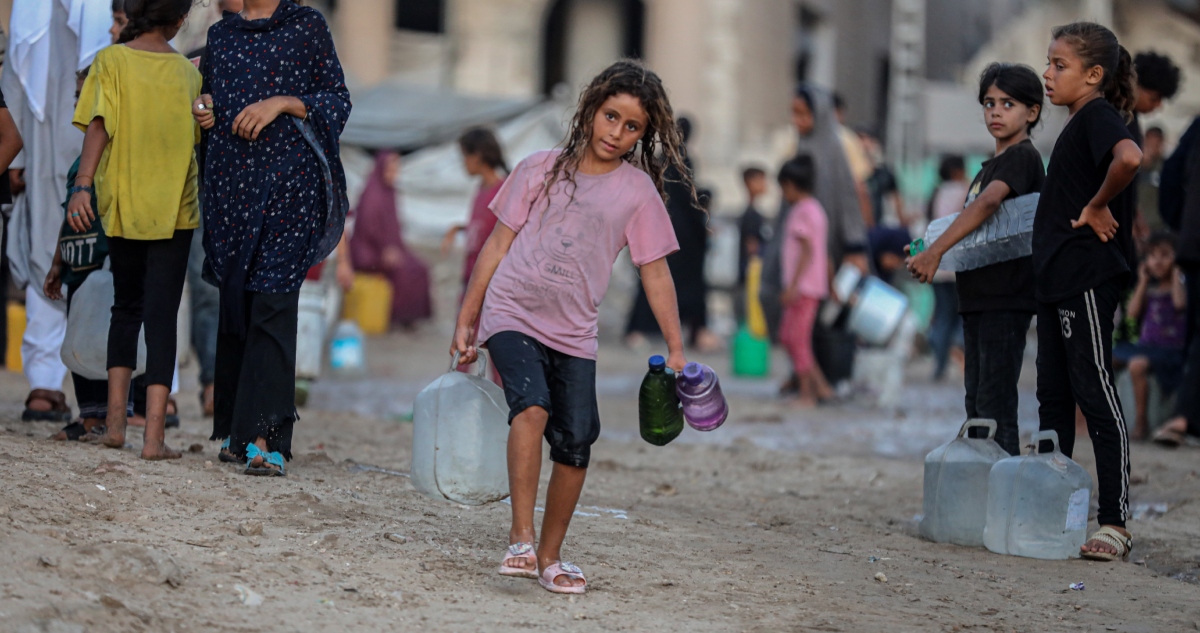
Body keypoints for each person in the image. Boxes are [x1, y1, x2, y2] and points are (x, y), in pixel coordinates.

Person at [451, 60, 689, 594]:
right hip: (511, 311)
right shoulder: (539, 168)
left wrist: (676, 347)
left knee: (577, 442)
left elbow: (655, 274)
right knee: (531, 407)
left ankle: (551, 557)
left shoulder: (638, 194)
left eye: (632, 127)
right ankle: (520, 538)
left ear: (643, 136)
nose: (616, 133)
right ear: (590, 109)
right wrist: (468, 319)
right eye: (610, 116)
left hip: (575, 332)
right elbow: (496, 247)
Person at [194, 0, 351, 476]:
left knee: (274, 305)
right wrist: (204, 111)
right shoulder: (222, 37)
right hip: (232, 188)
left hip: (291, 188)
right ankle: (241, 436)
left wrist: (280, 102)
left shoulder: (307, 27)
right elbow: (210, 106)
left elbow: (336, 100)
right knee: (238, 302)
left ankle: (270, 440)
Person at [69, 0, 201, 460]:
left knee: (125, 309)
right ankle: (154, 439)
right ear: (180, 19)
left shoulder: (111, 61)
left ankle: (115, 427)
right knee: (161, 317)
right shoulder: (187, 74)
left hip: (123, 205)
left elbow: (98, 127)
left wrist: (82, 186)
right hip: (175, 212)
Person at [1036, 22, 1143, 560]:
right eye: (1049, 63)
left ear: (1094, 75)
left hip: (1085, 278)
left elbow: (1129, 159)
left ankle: (1115, 522)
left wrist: (1098, 204)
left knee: (1095, 390)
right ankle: (1056, 511)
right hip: (1057, 281)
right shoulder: (1077, 125)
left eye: (1059, 65)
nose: (1048, 74)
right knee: (1053, 398)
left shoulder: (1099, 116)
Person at [907, 63, 1046, 456]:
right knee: (977, 406)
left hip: (1006, 298)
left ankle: (1003, 501)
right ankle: (981, 494)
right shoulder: (987, 168)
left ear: (1032, 112)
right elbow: (980, 232)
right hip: (978, 299)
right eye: (989, 103)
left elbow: (987, 205)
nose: (996, 112)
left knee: (995, 405)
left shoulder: (1021, 158)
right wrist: (925, 246)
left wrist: (936, 252)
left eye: (1008, 103)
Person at [623, 117, 717, 352]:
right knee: (678, 282)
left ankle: (641, 329)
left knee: (653, 277)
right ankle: (693, 330)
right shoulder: (681, 161)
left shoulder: (661, 160)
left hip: (662, 229)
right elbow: (688, 198)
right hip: (682, 236)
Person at [1113, 233, 1187, 440]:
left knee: (1137, 365)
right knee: (1104, 358)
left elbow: (1180, 304)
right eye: (1152, 256)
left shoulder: (1180, 286)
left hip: (1169, 350)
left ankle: (1141, 422)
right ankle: (1101, 419)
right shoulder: (1149, 288)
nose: (1157, 261)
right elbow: (1132, 314)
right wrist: (1143, 281)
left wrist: (1176, 274)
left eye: (1165, 255)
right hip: (1145, 346)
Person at [1155, 114, 1200, 447]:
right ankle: (1185, 418)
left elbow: (1170, 173)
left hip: (1192, 244)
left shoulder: (1197, 126)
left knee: (1194, 330)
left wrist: (1183, 223)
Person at [349, 151, 432, 329]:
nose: (394, 172)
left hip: (389, 248)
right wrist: (385, 249)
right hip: (369, 252)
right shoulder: (373, 194)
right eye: (390, 168)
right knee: (407, 271)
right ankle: (397, 318)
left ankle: (409, 318)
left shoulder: (389, 191)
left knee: (419, 267)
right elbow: (368, 228)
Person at [777, 156, 832, 406]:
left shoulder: (801, 212)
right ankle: (820, 387)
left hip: (803, 288)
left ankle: (807, 394)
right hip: (812, 285)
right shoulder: (816, 209)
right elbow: (823, 252)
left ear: (789, 185)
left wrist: (792, 286)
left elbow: (808, 250)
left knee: (797, 340)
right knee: (789, 336)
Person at [442, 127, 508, 298]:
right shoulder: (481, 189)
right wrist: (458, 228)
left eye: (464, 156)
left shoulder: (504, 191)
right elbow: (484, 227)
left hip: (491, 283)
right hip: (472, 276)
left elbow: (506, 234)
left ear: (477, 156)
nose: (463, 163)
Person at [926, 155, 968, 381]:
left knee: (941, 314)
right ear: (957, 171)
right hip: (959, 265)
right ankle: (958, 345)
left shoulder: (936, 193)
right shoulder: (964, 190)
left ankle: (939, 365)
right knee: (961, 313)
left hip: (938, 265)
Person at [734, 166, 768, 323]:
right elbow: (752, 248)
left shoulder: (752, 213)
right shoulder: (752, 216)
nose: (765, 184)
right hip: (750, 278)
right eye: (760, 180)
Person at [1137, 126, 1166, 236]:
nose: (1153, 147)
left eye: (1156, 143)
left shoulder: (1166, 166)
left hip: (1159, 224)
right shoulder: (1135, 164)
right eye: (1150, 143)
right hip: (1139, 223)